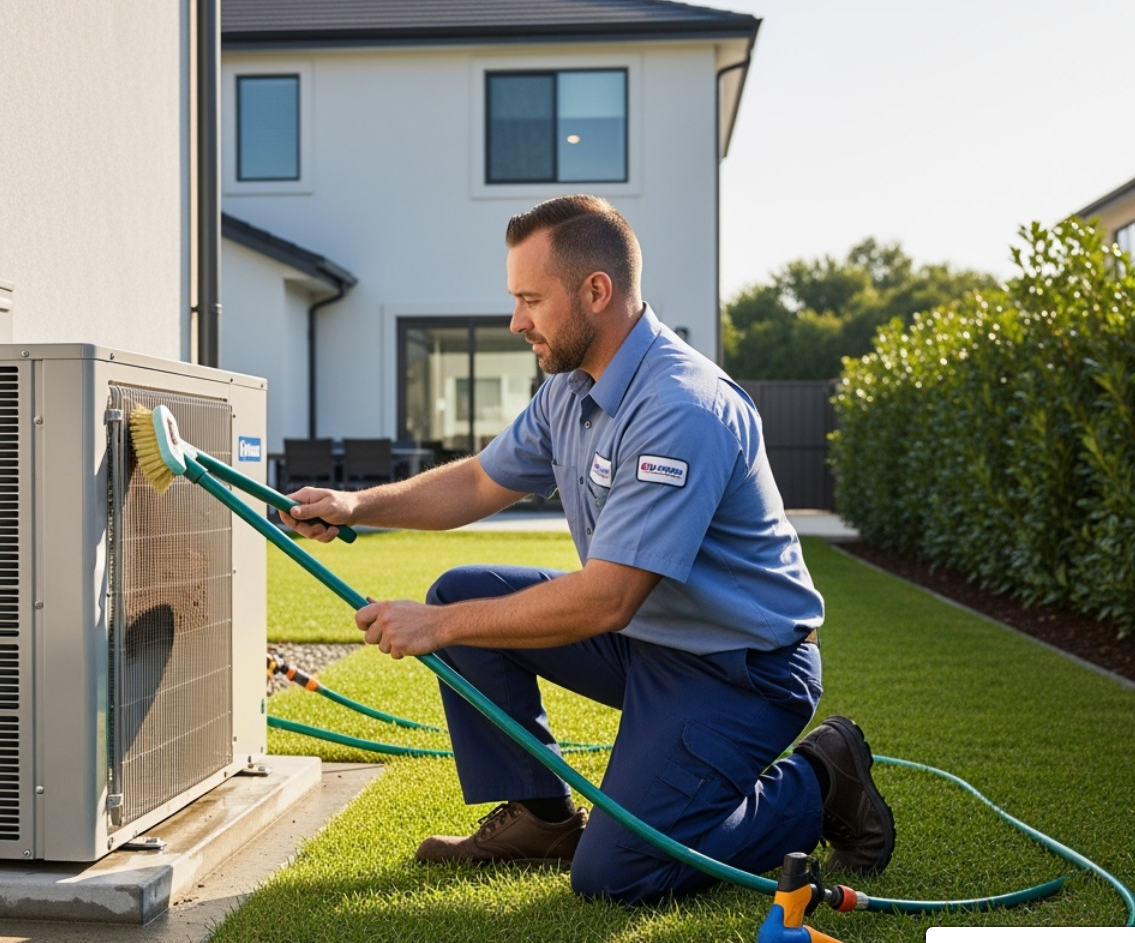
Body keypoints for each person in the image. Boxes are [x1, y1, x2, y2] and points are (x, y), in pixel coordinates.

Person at [281, 195, 894, 905]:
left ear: (596, 292)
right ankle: (542, 820)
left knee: (617, 875)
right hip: (648, 642)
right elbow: (480, 481)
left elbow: (608, 596)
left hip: (738, 671)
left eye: (531, 300)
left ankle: (820, 780)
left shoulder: (681, 408)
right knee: (462, 588)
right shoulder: (570, 389)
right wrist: (360, 505)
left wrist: (437, 628)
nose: (516, 321)